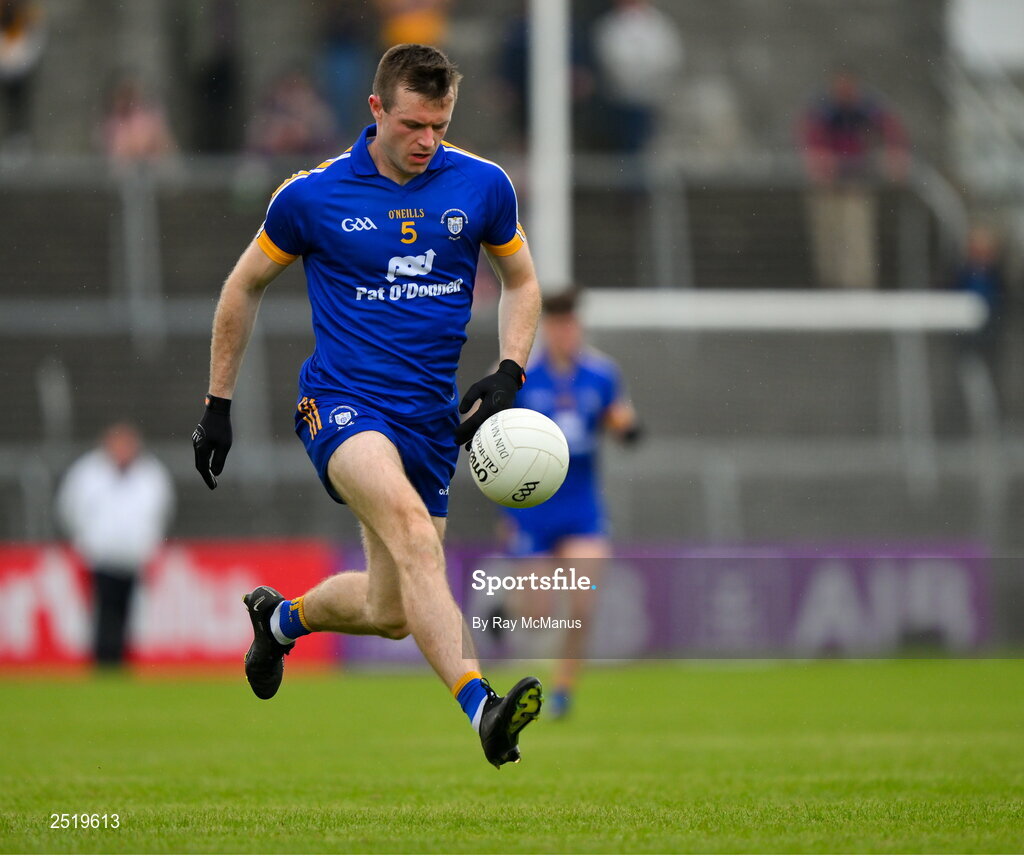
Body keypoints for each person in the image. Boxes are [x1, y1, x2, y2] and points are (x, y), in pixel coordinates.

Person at [192, 44, 544, 768]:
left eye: (441, 126)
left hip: (429, 422)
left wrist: (509, 369)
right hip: (341, 404)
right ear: (376, 109)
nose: (428, 141)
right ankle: (484, 710)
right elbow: (242, 285)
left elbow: (523, 282)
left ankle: (281, 620)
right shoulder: (311, 196)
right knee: (417, 537)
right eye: (414, 124)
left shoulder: (482, 186)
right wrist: (217, 402)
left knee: (390, 612)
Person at [498, 289, 640, 718]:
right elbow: (497, 441)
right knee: (538, 614)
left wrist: (624, 426)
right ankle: (502, 612)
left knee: (582, 603)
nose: (567, 332)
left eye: (572, 324)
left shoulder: (601, 374)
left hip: (582, 507)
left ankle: (562, 690)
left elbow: (621, 418)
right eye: (558, 325)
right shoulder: (519, 376)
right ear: (546, 330)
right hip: (532, 508)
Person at [56, 423, 175, 668]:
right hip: (100, 557)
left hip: (134, 558)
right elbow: (69, 509)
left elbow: (162, 511)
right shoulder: (88, 472)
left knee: (129, 613)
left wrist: (148, 543)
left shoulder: (150, 474)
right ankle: (102, 659)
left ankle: (121, 660)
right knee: (103, 611)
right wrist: (85, 541)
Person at [800, 70, 908, 290]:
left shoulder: (867, 108)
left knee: (856, 234)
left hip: (856, 183)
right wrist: (819, 162)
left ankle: (858, 284)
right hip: (828, 186)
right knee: (828, 234)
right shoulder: (822, 109)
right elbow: (810, 138)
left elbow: (892, 131)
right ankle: (830, 283)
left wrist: (894, 154)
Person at [591, 0, 683, 153]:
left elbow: (670, 57)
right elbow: (612, 60)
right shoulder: (608, 25)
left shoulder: (659, 23)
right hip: (620, 97)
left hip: (653, 96)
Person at [100, 75, 179, 165]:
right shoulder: (114, 124)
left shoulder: (146, 121)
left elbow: (159, 148)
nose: (119, 104)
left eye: (123, 99)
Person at [0, 0, 46, 152]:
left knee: (19, 103)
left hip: (20, 67)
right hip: (8, 66)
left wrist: (21, 62)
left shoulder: (28, 16)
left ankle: (19, 138)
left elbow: (35, 39)